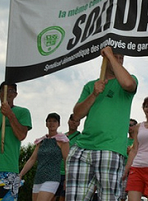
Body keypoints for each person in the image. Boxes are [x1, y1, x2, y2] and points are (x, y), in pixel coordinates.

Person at [66, 46, 138, 201]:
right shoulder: (91, 85)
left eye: (121, 58)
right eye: (115, 57)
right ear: (104, 58)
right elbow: (77, 115)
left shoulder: (128, 80)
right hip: (82, 148)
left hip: (109, 149)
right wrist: (94, 94)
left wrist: (110, 56)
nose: (119, 60)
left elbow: (128, 84)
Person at [0, 81, 32, 201]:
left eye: (11, 91)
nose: (8, 93)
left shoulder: (23, 112)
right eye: (5, 90)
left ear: (16, 94)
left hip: (8, 169)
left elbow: (21, 135)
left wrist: (10, 114)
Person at [19, 113, 70, 201]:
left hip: (52, 178)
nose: (51, 123)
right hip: (39, 177)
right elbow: (32, 159)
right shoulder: (41, 142)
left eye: (54, 121)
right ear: (46, 123)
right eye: (49, 121)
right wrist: (21, 174)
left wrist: (67, 178)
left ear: (59, 124)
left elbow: (67, 160)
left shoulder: (62, 140)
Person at [53, 114, 81, 201]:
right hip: (56, 172)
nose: (74, 123)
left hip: (70, 173)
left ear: (79, 123)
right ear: (68, 121)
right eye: (72, 120)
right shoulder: (60, 137)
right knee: (50, 196)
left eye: (76, 121)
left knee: (63, 197)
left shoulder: (81, 138)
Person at [120, 118, 138, 201]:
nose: (128, 127)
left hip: (136, 172)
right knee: (121, 196)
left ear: (136, 126)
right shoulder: (123, 141)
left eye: (131, 125)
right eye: (127, 125)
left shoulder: (139, 141)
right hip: (124, 172)